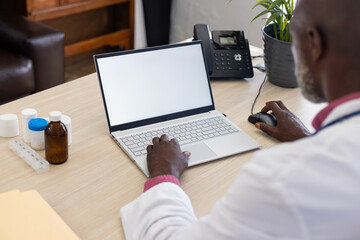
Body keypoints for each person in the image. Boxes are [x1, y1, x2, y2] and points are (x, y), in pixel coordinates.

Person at [120, 0, 360, 238]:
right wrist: (307, 140)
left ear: (314, 43)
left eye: (293, 32)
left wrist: (164, 171)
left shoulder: (280, 180)